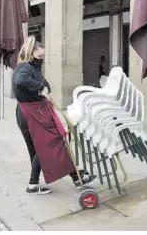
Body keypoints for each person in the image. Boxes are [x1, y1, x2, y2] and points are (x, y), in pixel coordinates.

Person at [13, 36, 96, 196]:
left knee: (51, 143)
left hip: (33, 112)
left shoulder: (33, 68)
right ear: (32, 53)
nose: (41, 59)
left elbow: (46, 85)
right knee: (46, 145)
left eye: (43, 57)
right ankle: (34, 184)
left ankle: (76, 178)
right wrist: (40, 87)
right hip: (32, 113)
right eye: (39, 56)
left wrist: (43, 87)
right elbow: (20, 80)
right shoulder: (24, 67)